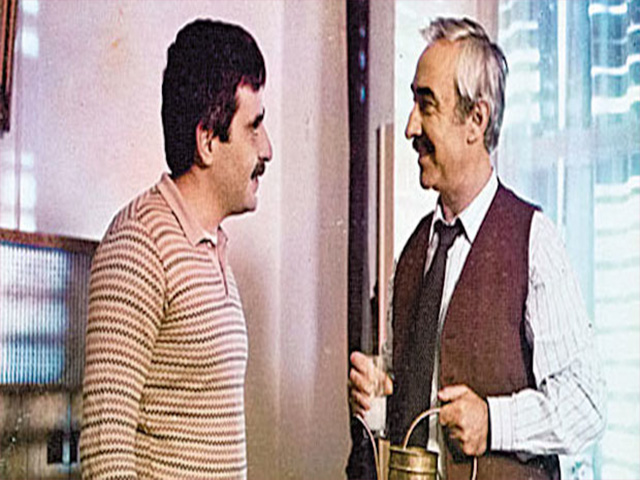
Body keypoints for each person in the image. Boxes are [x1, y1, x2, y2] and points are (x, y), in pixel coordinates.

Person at [347, 17, 605, 480]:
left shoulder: (534, 240)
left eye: (426, 105)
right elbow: (420, 413)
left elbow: (586, 402)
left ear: (476, 120)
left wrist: (494, 422)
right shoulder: (413, 253)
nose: (410, 127)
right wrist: (378, 405)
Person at [80, 19, 272, 479]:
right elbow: (105, 455)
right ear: (208, 141)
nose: (267, 149)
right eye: (254, 128)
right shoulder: (139, 243)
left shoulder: (210, 245)